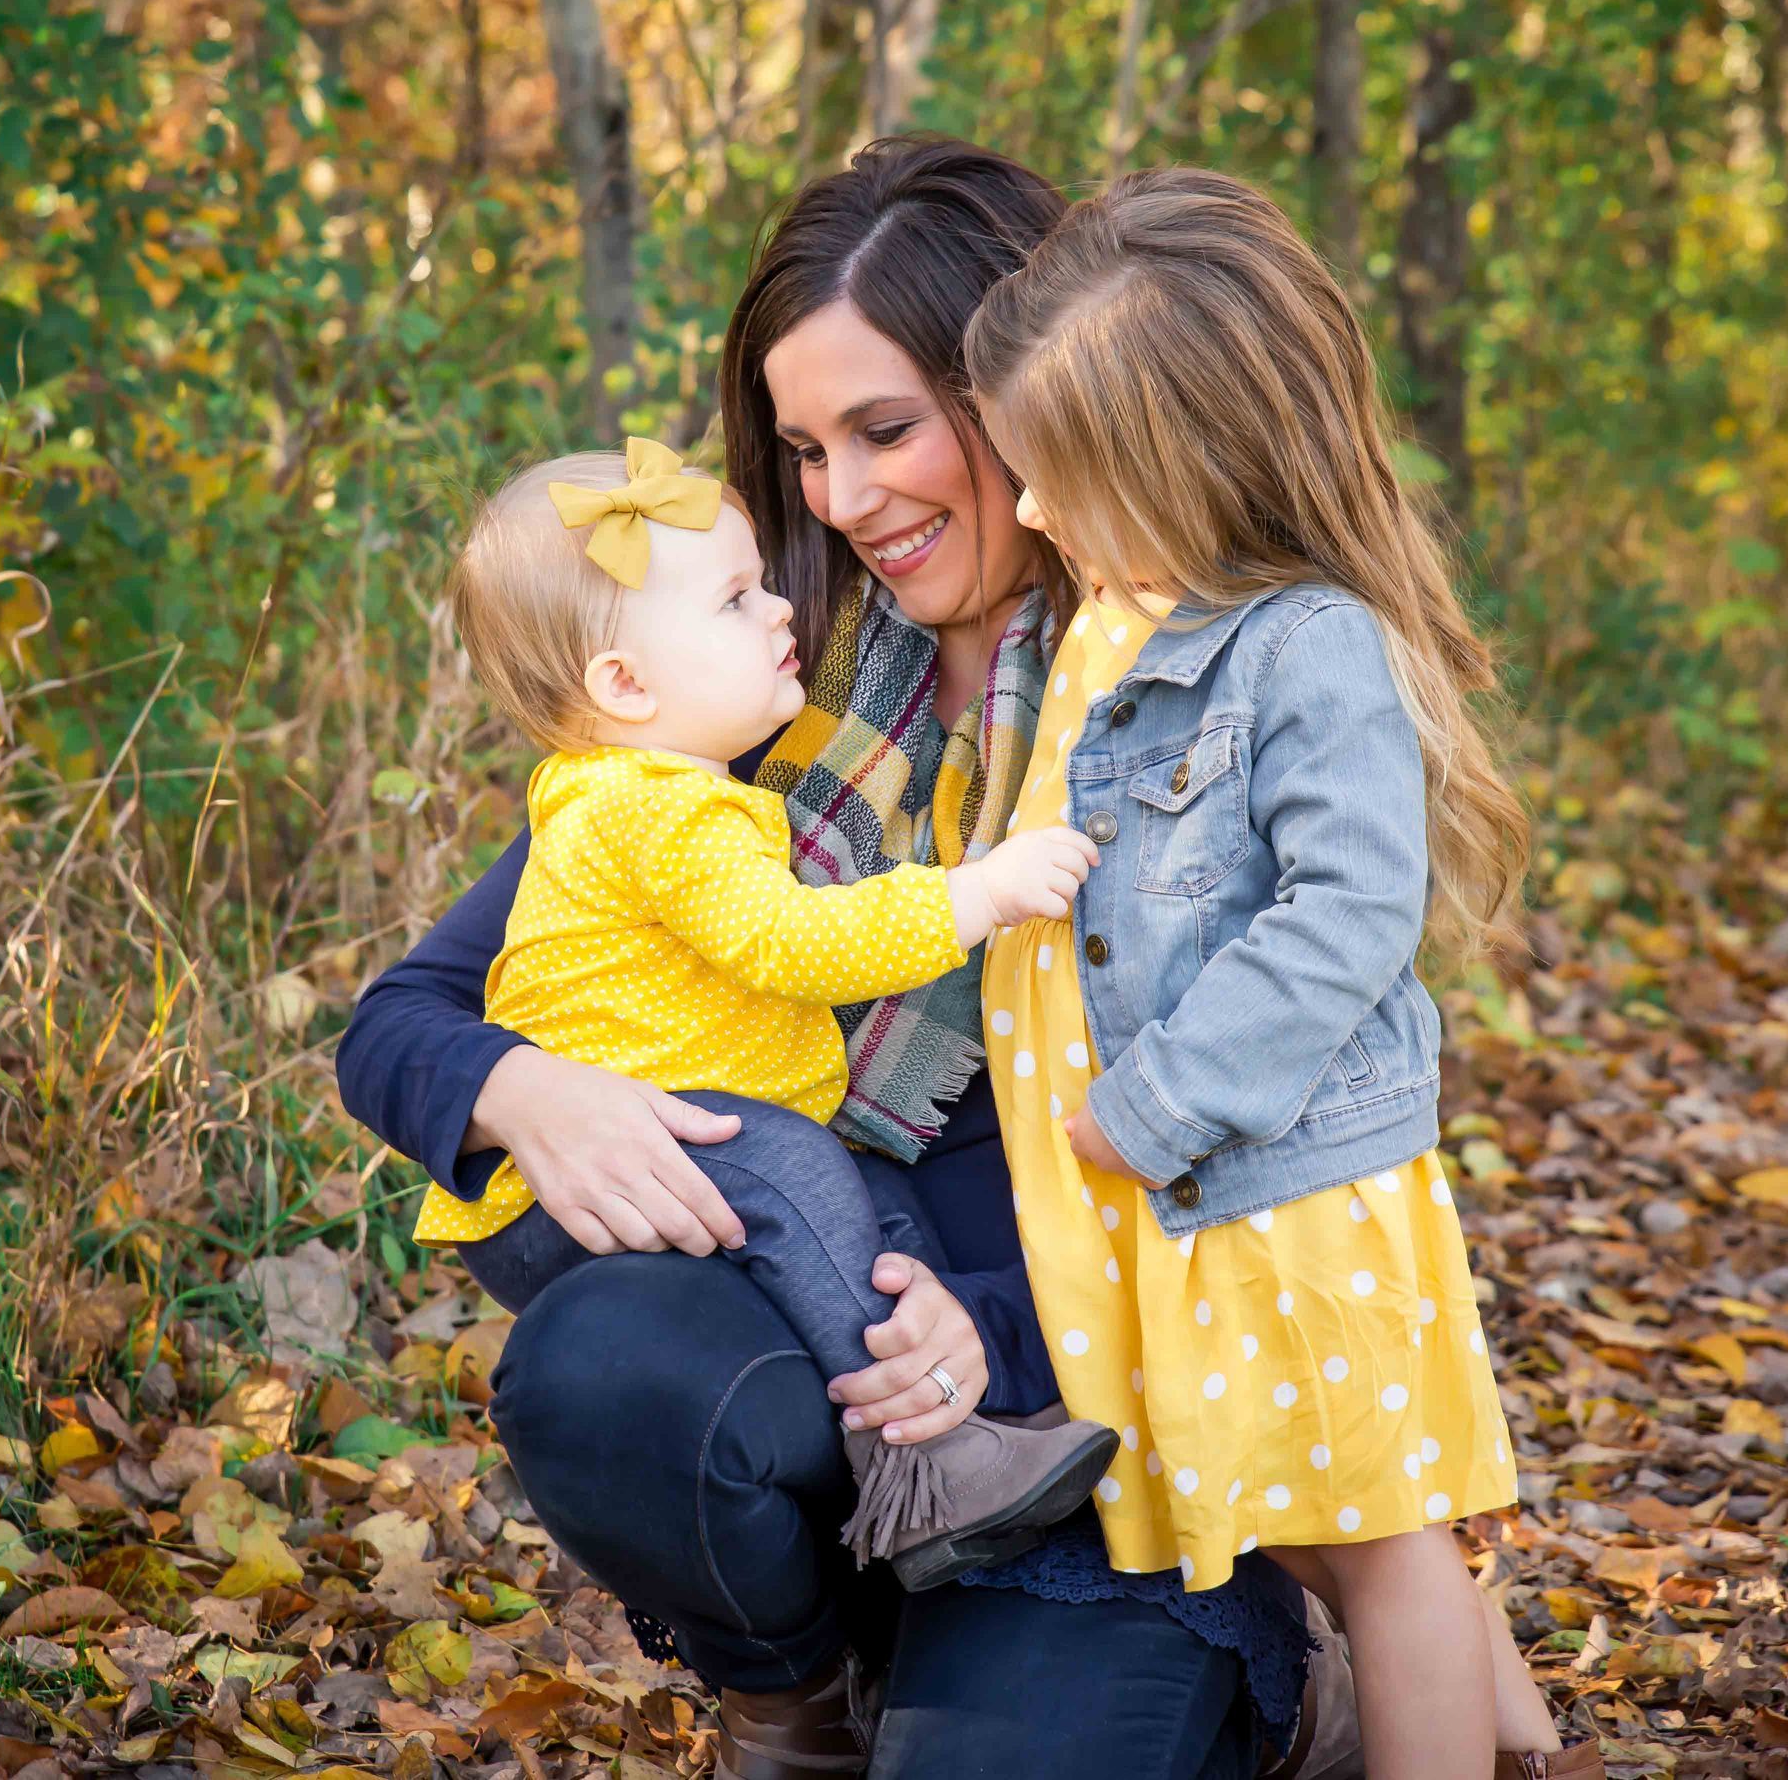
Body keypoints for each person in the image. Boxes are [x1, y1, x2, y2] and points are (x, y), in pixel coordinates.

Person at [337, 136, 1319, 1780]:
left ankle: (1277, 1682)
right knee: (601, 1365)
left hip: (1080, 1422)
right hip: (823, 1398)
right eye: (804, 448)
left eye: (887, 429)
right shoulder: (748, 713)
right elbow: (404, 1020)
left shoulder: (1174, 704)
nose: (846, 499)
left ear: (1032, 396)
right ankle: (792, 1687)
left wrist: (990, 1334)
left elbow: (1273, 1175)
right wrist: (528, 1090)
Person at [962, 165, 1602, 1780]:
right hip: (1168, 1206)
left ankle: (1448, 1743)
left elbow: (1349, 909)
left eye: (1058, 478)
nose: (1028, 513)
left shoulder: (1303, 648)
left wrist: (1159, 1099)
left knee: (1372, 1537)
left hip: (1275, 1184)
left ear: (1185, 467)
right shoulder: (1123, 612)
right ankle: (1504, 1710)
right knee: (1292, 1503)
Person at [412, 433, 1118, 1587]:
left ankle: (945, 1412)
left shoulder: (621, 791)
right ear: (625, 688)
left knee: (864, 1197)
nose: (783, 608)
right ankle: (923, 1467)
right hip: (596, 1172)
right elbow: (792, 945)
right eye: (737, 601)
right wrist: (978, 892)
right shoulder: (659, 811)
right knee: (797, 1170)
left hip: (670, 1150)